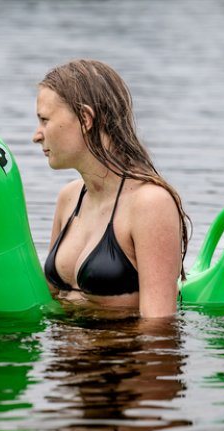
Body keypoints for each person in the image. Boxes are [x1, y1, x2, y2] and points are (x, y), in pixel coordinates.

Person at [32, 59, 189, 318]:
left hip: (117, 357)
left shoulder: (149, 204)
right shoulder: (69, 198)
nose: (36, 135)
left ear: (85, 118)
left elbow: (159, 328)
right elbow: (47, 301)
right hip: (63, 355)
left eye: (45, 120)